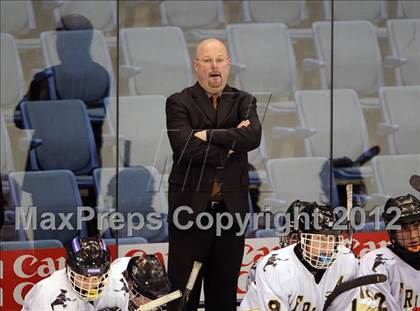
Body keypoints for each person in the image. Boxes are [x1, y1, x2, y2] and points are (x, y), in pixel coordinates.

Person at [165, 38, 262, 310]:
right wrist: (231, 144)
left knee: (223, 297)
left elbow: (252, 137)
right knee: (183, 297)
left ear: (229, 64)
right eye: (207, 61)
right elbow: (185, 148)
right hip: (190, 215)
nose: (214, 66)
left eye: (220, 60)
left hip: (230, 216)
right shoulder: (178, 102)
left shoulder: (244, 100)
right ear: (197, 66)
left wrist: (207, 135)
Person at [240, 202, 359, 311]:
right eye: (318, 238)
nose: (325, 246)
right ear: (301, 238)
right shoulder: (275, 268)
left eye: (330, 239)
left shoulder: (346, 260)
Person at [21, 237, 126, 310]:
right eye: (84, 278)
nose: (91, 284)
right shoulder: (48, 292)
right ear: (69, 270)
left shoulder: (118, 287)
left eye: (97, 277)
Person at [359, 194, 420, 310]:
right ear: (393, 232)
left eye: (417, 226)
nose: (413, 236)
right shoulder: (376, 263)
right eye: (404, 229)